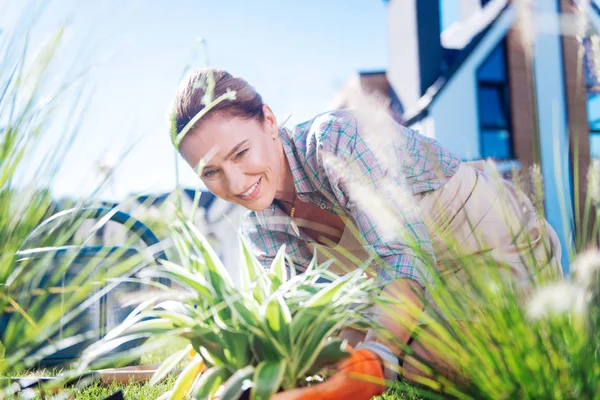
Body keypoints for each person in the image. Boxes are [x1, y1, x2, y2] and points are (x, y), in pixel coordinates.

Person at [170, 68, 563, 390]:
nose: (236, 183)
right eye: (211, 172)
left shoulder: (334, 140)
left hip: (482, 242)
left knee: (428, 357)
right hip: (421, 291)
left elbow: (403, 253)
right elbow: (323, 322)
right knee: (373, 352)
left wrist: (377, 357)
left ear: (269, 121)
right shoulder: (262, 228)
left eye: (241, 153)